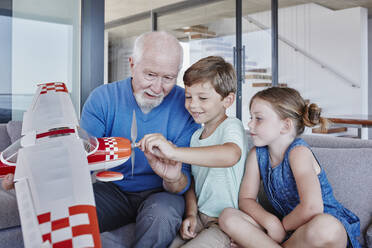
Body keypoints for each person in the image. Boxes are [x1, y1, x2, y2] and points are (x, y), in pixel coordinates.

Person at [80, 31, 199, 247]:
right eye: (150, 75)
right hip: (112, 190)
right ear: (132, 64)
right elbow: (80, 163)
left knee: (162, 216)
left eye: (168, 78)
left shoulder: (187, 105)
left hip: (162, 194)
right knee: (75, 211)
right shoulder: (102, 99)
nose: (157, 88)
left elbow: (184, 183)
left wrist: (172, 178)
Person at [218, 87, 361, 248]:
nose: (250, 124)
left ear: (285, 126)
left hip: (319, 230)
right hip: (288, 233)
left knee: (326, 228)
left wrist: (282, 227)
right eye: (251, 117)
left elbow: (312, 207)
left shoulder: (298, 152)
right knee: (227, 217)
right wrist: (270, 222)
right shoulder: (256, 154)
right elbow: (245, 199)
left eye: (259, 118)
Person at [139, 56, 248, 248]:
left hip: (223, 223)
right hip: (200, 218)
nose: (193, 105)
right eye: (189, 97)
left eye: (203, 98)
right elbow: (193, 183)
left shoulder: (231, 126)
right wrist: (191, 213)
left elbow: (230, 155)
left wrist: (174, 152)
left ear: (227, 100)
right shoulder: (196, 135)